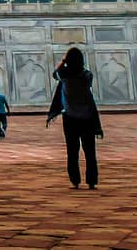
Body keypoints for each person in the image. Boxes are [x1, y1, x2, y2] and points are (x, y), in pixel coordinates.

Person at [48, 46, 102, 189]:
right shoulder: (87, 75)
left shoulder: (64, 76)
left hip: (70, 117)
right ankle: (91, 180)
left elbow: (55, 74)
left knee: (72, 151)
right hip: (87, 117)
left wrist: (63, 61)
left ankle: (75, 180)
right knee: (90, 151)